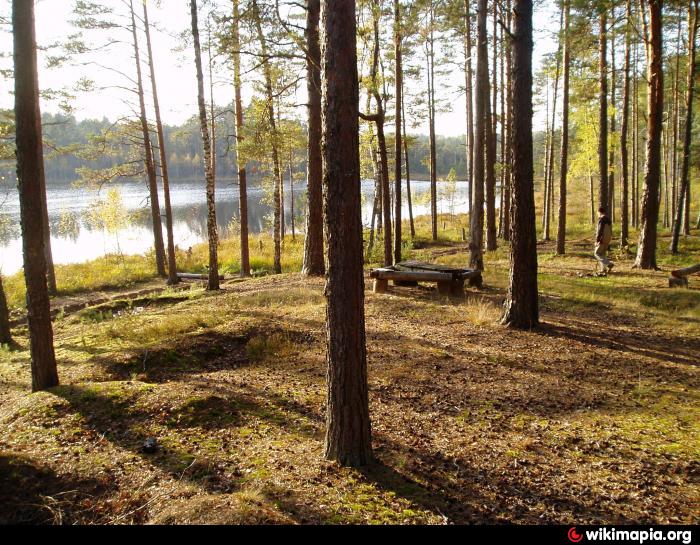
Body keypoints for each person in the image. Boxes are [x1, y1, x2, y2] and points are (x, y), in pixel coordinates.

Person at [594, 206, 614, 275]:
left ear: (599, 212)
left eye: (597, 212)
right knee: (602, 254)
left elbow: (600, 230)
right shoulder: (608, 220)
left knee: (597, 253)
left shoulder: (601, 219)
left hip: (602, 239)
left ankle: (609, 264)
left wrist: (597, 240)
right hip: (608, 239)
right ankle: (603, 269)